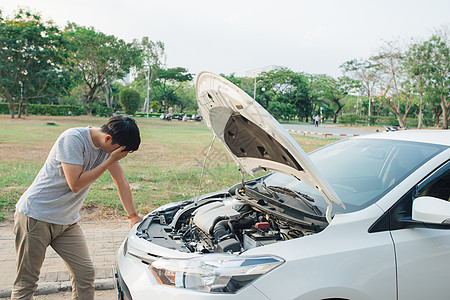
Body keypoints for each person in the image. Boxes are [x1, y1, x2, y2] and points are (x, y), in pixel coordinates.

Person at [12, 115, 143, 300]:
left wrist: (133, 216)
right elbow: (75, 183)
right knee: (27, 282)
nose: (121, 157)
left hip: (67, 221)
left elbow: (120, 180)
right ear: (108, 139)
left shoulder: (108, 149)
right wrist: (108, 161)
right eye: (121, 152)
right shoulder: (72, 139)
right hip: (36, 217)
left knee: (85, 273)